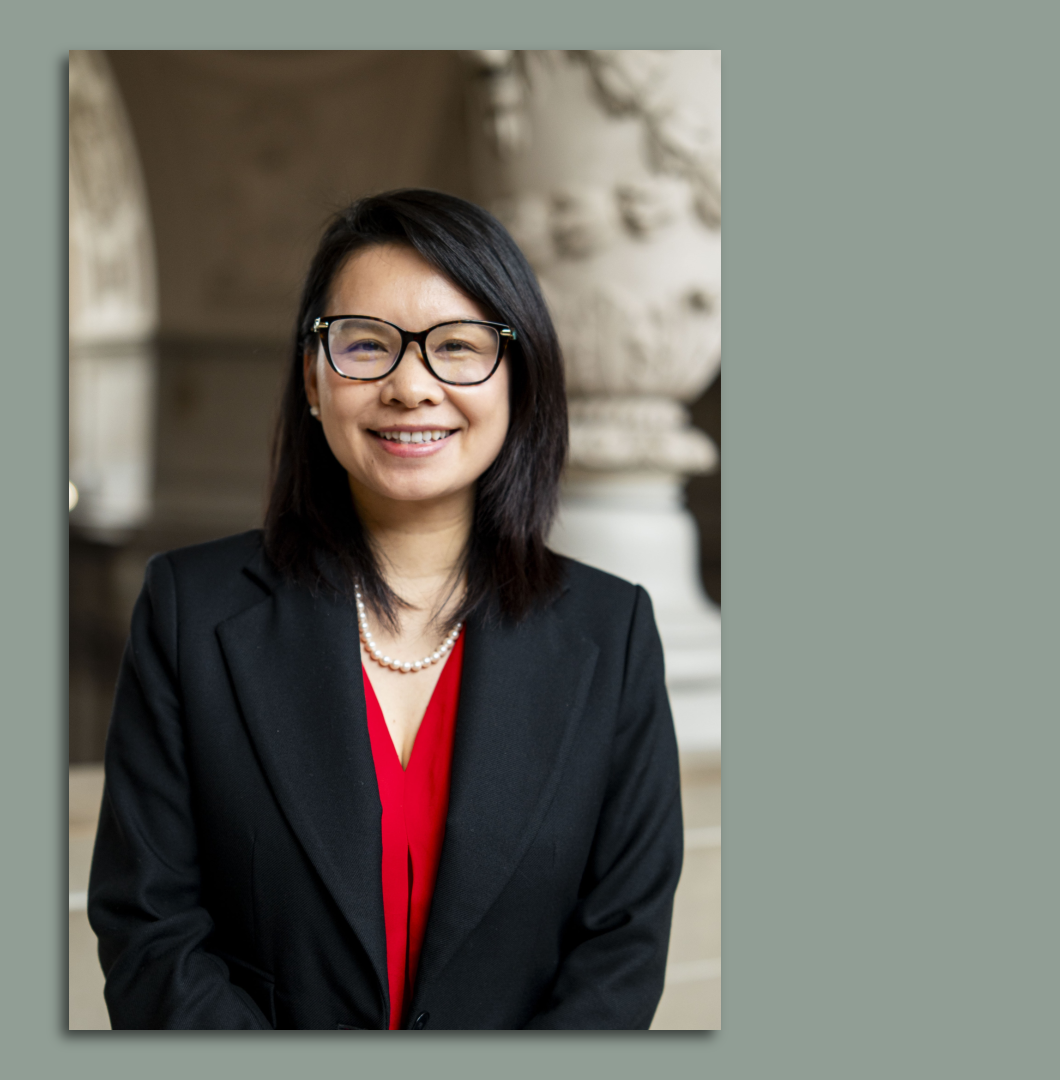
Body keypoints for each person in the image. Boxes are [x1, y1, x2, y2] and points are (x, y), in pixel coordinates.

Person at [87, 189, 683, 1029]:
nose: (411, 387)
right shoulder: (190, 612)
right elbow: (151, 929)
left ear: (518, 374)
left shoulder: (609, 632)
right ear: (311, 376)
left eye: (457, 348)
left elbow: (620, 947)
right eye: (365, 345)